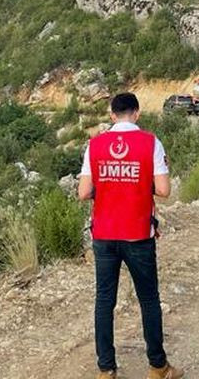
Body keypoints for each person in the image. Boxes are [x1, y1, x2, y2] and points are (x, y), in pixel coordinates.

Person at [78, 92, 184, 379]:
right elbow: (163, 190)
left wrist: (110, 183)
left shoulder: (95, 144)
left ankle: (106, 369)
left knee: (104, 300)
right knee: (148, 299)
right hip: (138, 233)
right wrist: (139, 183)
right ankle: (157, 366)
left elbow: (83, 192)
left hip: (104, 234)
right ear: (137, 114)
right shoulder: (151, 142)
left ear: (112, 115)